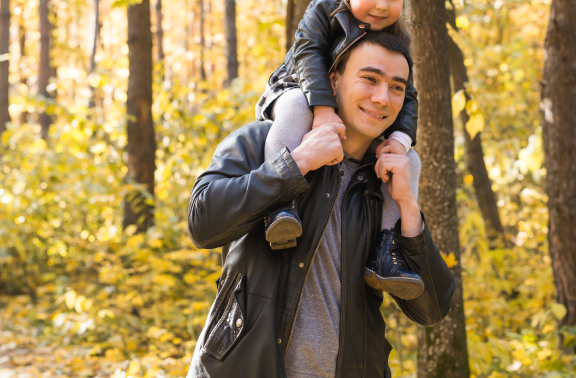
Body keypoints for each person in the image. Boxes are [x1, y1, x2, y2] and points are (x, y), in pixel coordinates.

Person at [186, 33, 454, 378]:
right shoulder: (265, 142)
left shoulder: (386, 184)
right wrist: (293, 165)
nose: (382, 98)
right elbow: (202, 222)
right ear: (333, 79)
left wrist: (408, 207)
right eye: (369, 79)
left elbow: (432, 308)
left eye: (397, 87)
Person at [256, 0, 422, 298]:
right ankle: (279, 204)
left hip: (349, 111)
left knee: (408, 161)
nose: (383, 4)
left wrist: (400, 138)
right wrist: (323, 108)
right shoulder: (325, 12)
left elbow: (407, 93)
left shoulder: (397, 38)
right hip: (295, 88)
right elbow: (308, 56)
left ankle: (386, 249)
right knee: (298, 106)